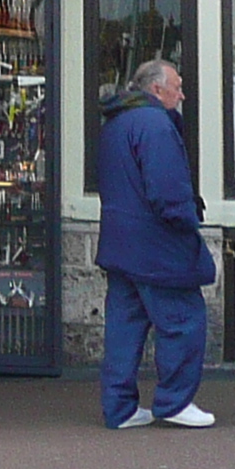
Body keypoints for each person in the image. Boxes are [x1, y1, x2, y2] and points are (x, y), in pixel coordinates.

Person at [93, 60, 214, 432]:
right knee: (183, 319)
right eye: (177, 86)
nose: (182, 94)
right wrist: (186, 220)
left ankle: (120, 408)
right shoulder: (155, 124)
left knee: (124, 328)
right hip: (156, 244)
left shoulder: (116, 122)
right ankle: (174, 401)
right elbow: (167, 188)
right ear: (157, 89)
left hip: (120, 241)